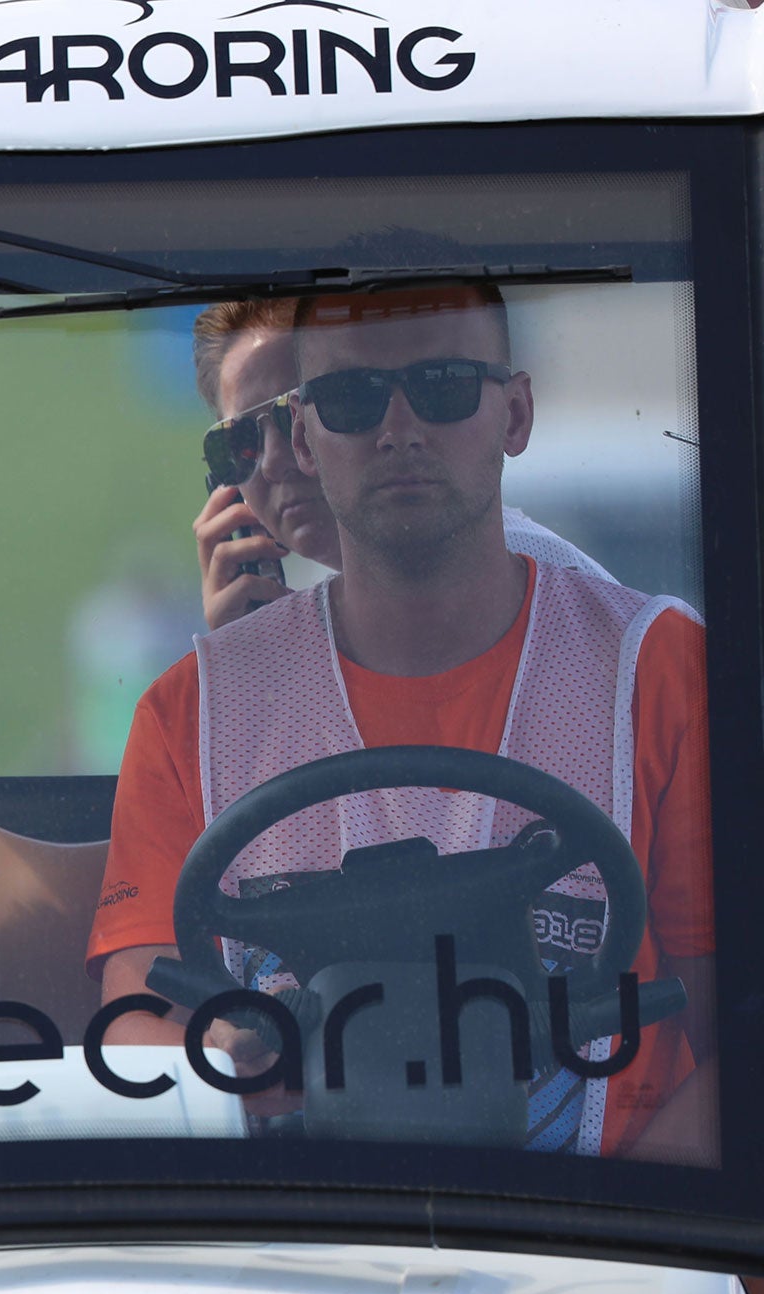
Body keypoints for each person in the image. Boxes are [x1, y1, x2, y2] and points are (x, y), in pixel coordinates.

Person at [91, 283, 714, 1158]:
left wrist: (631, 1234)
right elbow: (138, 1031)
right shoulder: (192, 704)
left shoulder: (650, 665)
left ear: (515, 414)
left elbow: (735, 1032)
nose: (398, 430)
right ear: (308, 438)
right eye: (350, 401)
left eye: (444, 386)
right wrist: (223, 1063)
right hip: (299, 1238)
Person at [190, 296, 612, 633]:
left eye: (342, 401)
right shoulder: (302, 629)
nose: (275, 462)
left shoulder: (540, 584)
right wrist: (244, 666)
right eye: (238, 442)